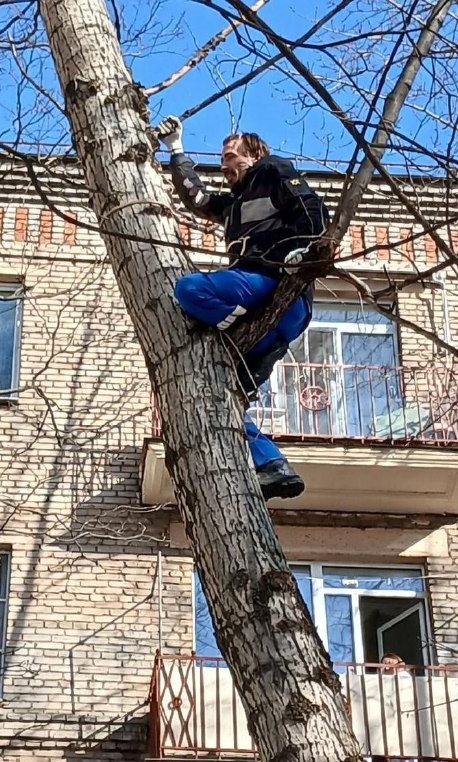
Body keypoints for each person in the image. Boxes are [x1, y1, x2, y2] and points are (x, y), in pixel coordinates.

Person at [157, 116, 329, 501]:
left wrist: (303, 254)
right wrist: (176, 149)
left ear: (254, 155)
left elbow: (312, 209)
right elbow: (197, 198)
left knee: (188, 288)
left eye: (231, 155)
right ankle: (273, 465)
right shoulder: (233, 203)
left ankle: (227, 322)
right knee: (225, 401)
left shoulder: (272, 171)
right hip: (277, 326)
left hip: (267, 283)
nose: (223, 164)